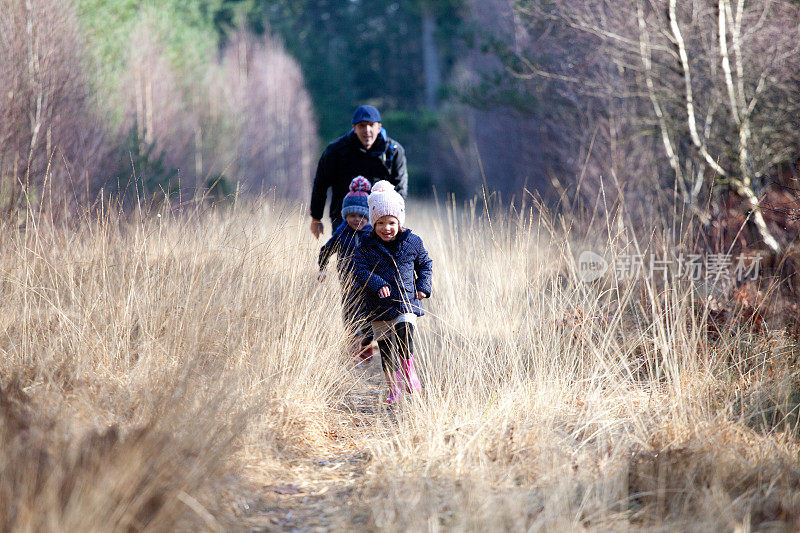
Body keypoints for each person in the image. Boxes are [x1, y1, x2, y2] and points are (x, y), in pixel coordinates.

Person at [352, 181, 432, 403]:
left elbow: (425, 264)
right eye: (380, 223)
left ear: (399, 221)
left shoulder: (412, 242)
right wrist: (377, 283)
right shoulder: (366, 245)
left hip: (406, 300)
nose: (386, 228)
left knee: (406, 330)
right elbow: (359, 270)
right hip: (378, 305)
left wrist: (423, 286)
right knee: (386, 349)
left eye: (391, 222)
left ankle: (409, 372)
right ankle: (393, 388)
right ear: (373, 223)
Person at [309, 105, 408, 238]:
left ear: (379, 127)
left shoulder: (393, 151)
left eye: (371, 125)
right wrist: (316, 217)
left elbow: (400, 189)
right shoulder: (336, 151)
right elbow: (321, 184)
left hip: (380, 221)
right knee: (346, 258)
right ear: (354, 128)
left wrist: (396, 219)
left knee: (378, 258)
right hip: (344, 219)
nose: (367, 130)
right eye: (361, 126)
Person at [318, 177, 375, 361]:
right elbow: (327, 249)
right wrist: (322, 268)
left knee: (368, 314)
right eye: (352, 216)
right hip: (348, 281)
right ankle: (352, 344)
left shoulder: (373, 234)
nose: (357, 220)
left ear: (368, 217)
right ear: (345, 216)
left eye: (361, 216)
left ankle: (366, 344)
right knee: (350, 313)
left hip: (369, 282)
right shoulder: (342, 233)